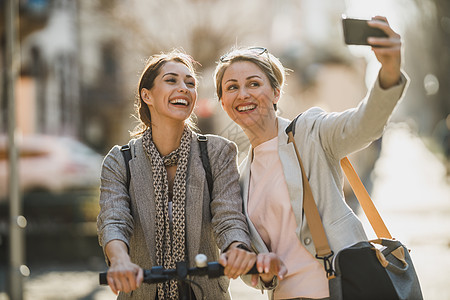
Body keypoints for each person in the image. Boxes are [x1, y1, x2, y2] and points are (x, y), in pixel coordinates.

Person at [214, 16, 408, 300]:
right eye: (231, 87)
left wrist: (389, 73)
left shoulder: (309, 131)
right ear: (223, 102)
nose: (243, 93)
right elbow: (257, 266)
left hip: (341, 290)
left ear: (276, 92)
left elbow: (363, 125)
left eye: (254, 84)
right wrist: (260, 270)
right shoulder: (242, 176)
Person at [97, 49, 285, 300]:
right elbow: (113, 219)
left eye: (190, 83)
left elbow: (228, 216)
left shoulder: (217, 152)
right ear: (147, 95)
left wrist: (237, 249)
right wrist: (120, 261)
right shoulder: (120, 161)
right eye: (171, 80)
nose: (184, 88)